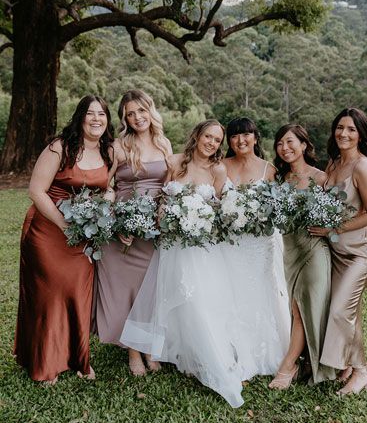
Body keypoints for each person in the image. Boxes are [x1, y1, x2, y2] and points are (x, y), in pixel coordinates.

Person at [121, 120, 246, 407]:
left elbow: (218, 209)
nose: (212, 143)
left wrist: (200, 219)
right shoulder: (175, 162)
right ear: (197, 136)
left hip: (200, 247)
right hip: (172, 244)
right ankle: (166, 351)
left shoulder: (217, 169)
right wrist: (167, 213)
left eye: (217, 139)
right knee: (168, 297)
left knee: (199, 300)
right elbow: (163, 197)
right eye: (208, 137)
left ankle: (203, 355)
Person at [14, 95, 114, 384]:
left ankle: (78, 359)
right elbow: (36, 191)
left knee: (78, 292)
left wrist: (101, 210)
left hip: (84, 233)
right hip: (48, 230)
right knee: (49, 294)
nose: (96, 119)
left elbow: (110, 188)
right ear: (80, 117)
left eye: (102, 114)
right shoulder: (60, 147)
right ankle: (46, 362)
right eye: (90, 114)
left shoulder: (110, 151)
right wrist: (65, 224)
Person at [95, 89, 171, 376]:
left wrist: (164, 212)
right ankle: (133, 352)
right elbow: (108, 186)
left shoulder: (164, 143)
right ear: (125, 118)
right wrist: (115, 221)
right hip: (123, 229)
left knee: (150, 290)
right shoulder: (118, 146)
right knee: (126, 291)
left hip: (153, 229)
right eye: (130, 113)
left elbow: (168, 185)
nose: (138, 117)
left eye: (141, 110)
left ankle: (150, 347)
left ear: (150, 111)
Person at [309, 108, 367, 395]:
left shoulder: (362, 166)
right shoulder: (334, 162)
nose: (344, 134)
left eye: (351, 129)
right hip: (336, 252)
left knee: (341, 310)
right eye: (340, 127)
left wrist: (332, 230)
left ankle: (361, 371)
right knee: (348, 311)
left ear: (361, 134)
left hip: (359, 252)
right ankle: (348, 366)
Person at [222, 117, 290, 379]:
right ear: (229, 141)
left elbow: (278, 208)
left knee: (263, 291)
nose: (241, 141)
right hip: (229, 244)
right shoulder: (220, 167)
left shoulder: (269, 170)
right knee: (231, 291)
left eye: (246, 135)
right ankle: (230, 348)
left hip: (260, 244)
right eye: (235, 136)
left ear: (255, 137)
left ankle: (266, 350)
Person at [269, 124, 336, 389]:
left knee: (304, 307)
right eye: (280, 143)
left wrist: (329, 229)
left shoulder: (322, 178)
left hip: (314, 249)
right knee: (296, 307)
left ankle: (288, 366)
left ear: (304, 145)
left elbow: (337, 214)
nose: (284, 148)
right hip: (290, 249)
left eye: (290, 142)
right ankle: (305, 360)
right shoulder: (279, 179)